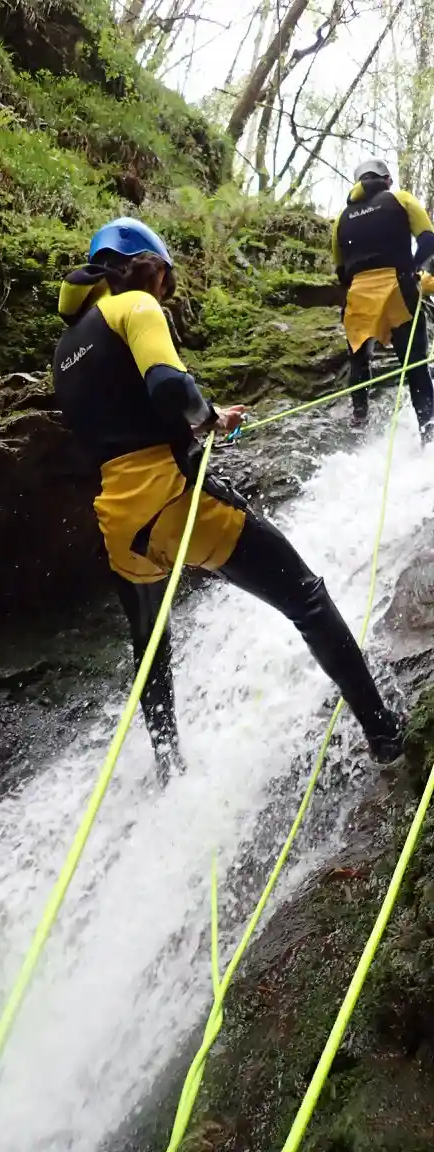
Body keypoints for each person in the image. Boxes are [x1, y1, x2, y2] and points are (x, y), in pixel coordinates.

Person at [53, 216, 404, 785]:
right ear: (147, 266)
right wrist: (206, 416)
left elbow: (124, 422)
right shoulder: (136, 307)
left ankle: (169, 769)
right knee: (305, 597)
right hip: (172, 499)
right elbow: (168, 388)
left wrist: (205, 420)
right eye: (165, 278)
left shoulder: (66, 349)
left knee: (151, 648)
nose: (165, 290)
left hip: (119, 523)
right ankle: (385, 734)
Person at [332, 158, 434, 440]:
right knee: (413, 363)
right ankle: (429, 432)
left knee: (359, 361)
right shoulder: (400, 199)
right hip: (397, 287)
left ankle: (359, 421)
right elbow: (428, 241)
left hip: (358, 297)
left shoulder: (341, 218)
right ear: (386, 179)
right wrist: (414, 269)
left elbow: (340, 270)